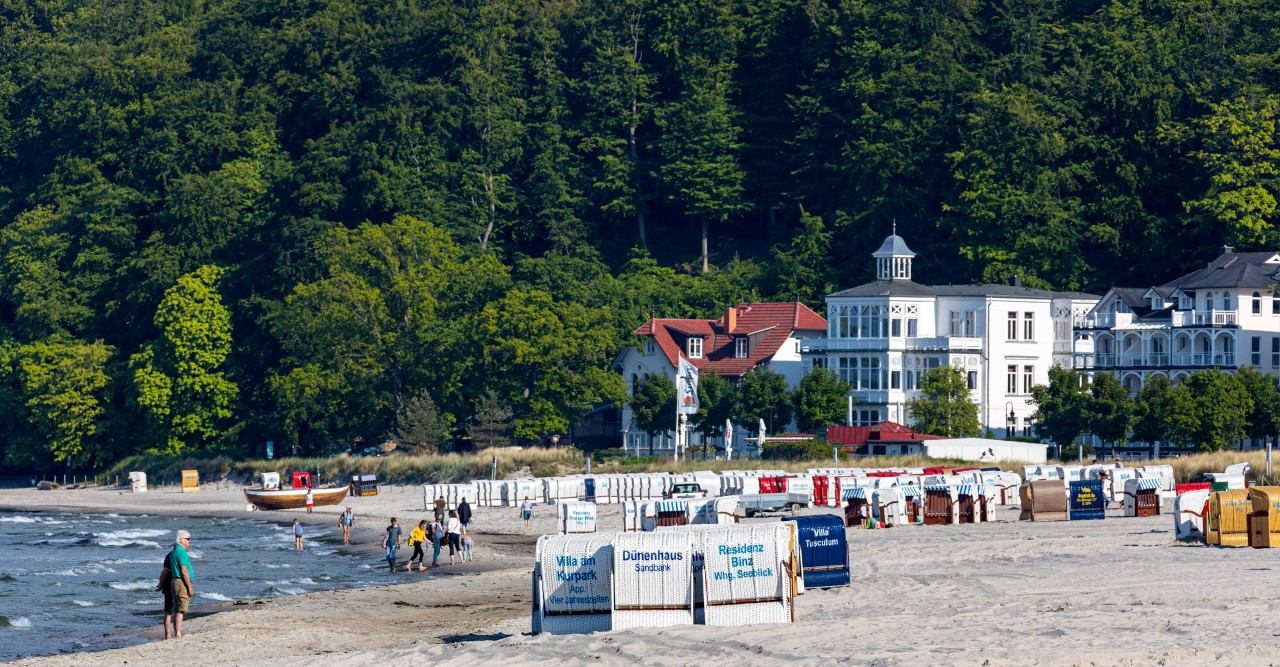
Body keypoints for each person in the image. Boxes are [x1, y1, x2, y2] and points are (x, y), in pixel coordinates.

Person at [169, 530, 195, 638]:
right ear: (181, 540)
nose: (189, 541)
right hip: (180, 581)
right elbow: (184, 570)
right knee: (181, 608)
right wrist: (189, 587)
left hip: (175, 581)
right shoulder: (181, 551)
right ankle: (178, 633)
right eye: (187, 539)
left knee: (177, 608)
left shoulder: (174, 550)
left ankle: (177, 632)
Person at [155, 550, 174, 639]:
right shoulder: (173, 555)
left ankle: (168, 635)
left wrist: (161, 584)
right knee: (172, 611)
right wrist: (161, 584)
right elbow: (165, 572)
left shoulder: (170, 555)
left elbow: (164, 573)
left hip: (168, 586)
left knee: (168, 611)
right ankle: (170, 634)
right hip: (170, 586)